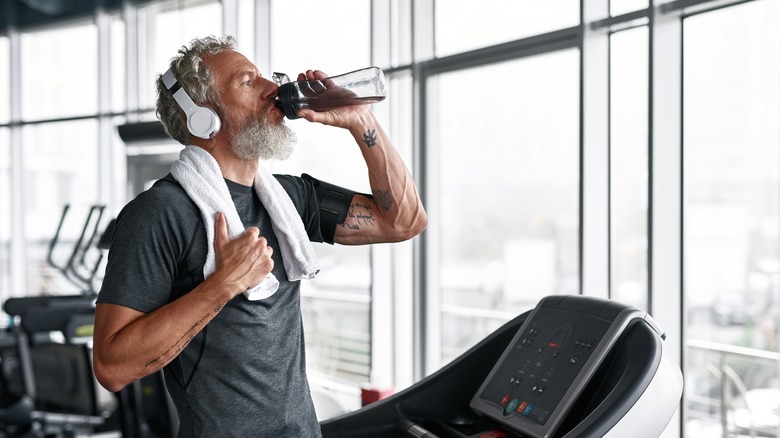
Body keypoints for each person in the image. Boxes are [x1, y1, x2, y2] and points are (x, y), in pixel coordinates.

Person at [92, 35, 427, 438]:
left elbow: (404, 221)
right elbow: (112, 367)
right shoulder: (160, 212)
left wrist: (361, 121)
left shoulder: (288, 199)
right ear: (202, 117)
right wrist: (223, 285)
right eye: (247, 81)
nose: (272, 89)